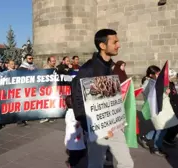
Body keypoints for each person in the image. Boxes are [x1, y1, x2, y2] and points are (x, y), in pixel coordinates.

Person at [72, 29, 134, 168]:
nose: (119, 45)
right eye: (115, 42)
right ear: (102, 46)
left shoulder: (113, 67)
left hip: (115, 125)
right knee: (96, 164)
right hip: (97, 128)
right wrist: (87, 124)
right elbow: (77, 96)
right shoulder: (88, 69)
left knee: (127, 163)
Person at [138, 65, 169, 157]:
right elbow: (145, 91)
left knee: (162, 128)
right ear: (151, 75)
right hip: (154, 108)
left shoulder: (155, 81)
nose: (159, 74)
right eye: (157, 73)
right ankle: (155, 147)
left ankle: (146, 137)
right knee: (161, 128)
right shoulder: (148, 82)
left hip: (159, 106)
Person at [64, 96, 86, 168]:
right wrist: (78, 123)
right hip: (73, 138)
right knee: (74, 154)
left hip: (78, 136)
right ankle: (71, 164)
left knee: (80, 152)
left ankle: (72, 162)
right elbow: (69, 123)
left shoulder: (76, 112)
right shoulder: (69, 113)